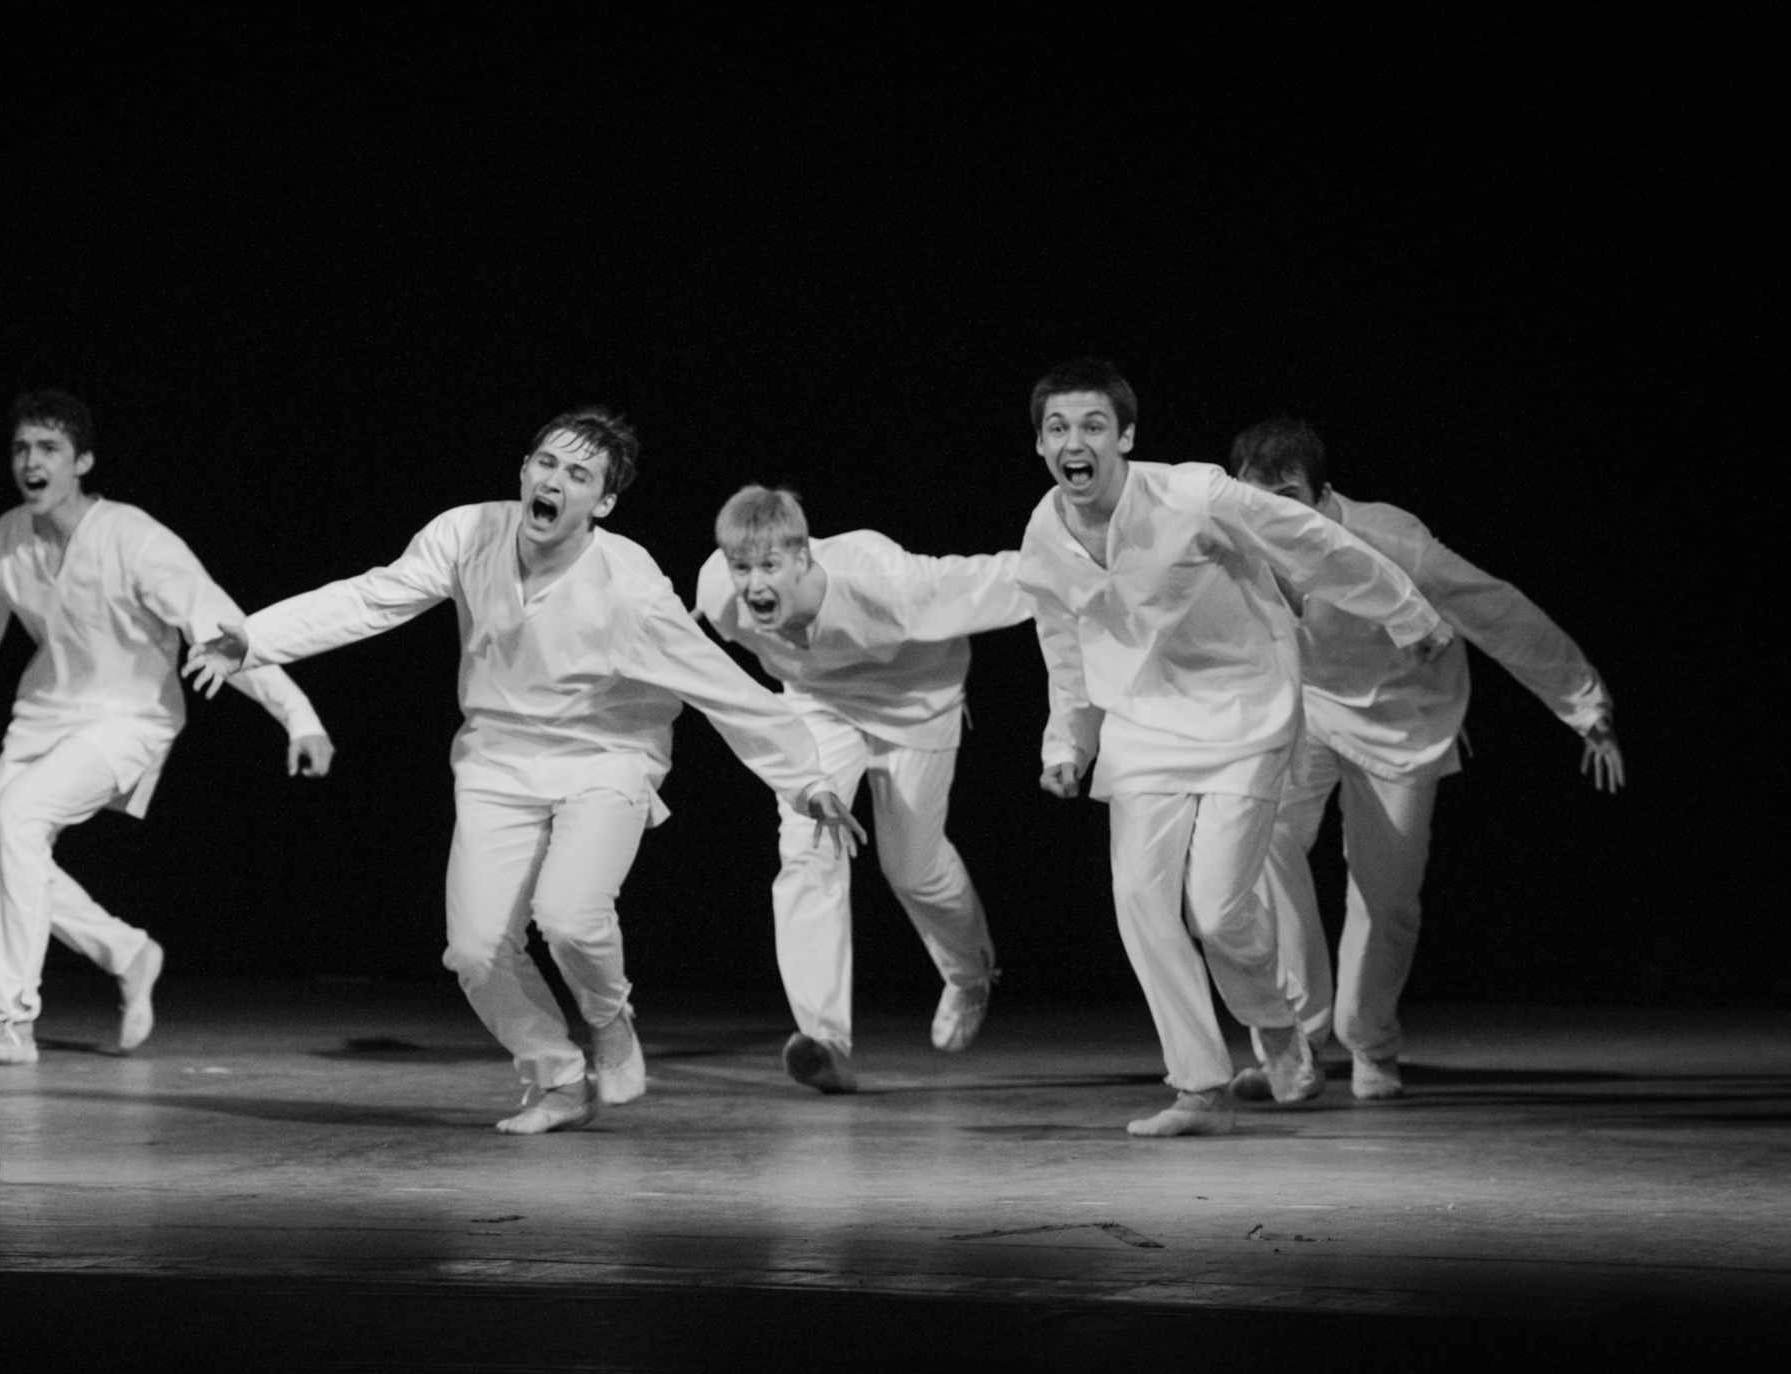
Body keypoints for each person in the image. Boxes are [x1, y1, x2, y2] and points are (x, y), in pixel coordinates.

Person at [186, 408, 863, 1135]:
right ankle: (560, 1076)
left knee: (570, 915)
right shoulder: (467, 533)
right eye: (546, 462)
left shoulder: (629, 585)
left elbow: (721, 687)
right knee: (476, 950)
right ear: (524, 470)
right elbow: (372, 595)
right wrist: (254, 637)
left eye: (578, 474)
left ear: (601, 502)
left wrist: (806, 778)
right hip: (497, 759)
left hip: (607, 756)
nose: (554, 481)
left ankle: (610, 1020)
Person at [1018, 361, 1449, 1137]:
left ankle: (1277, 1027)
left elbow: (1314, 541)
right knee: (1142, 900)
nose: (1073, 442)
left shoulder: (1193, 494)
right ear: (1040, 444)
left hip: (1246, 710)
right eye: (1057, 428)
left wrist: (1406, 611)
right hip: (1145, 719)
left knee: (1217, 909)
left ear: (1125, 436)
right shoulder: (1044, 535)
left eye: (1091, 425)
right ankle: (1198, 1087)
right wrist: (1068, 742)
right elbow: (1064, 644)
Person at [0, 390, 334, 1064]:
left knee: (19, 819)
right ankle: (129, 953)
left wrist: (297, 714)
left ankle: (11, 1024)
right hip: (45, 712)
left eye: (47, 449)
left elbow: (218, 625)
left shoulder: (135, 539)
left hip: (130, 717)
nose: (30, 462)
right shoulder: (3, 542)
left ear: (83, 461)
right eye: (21, 449)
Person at [1229, 417, 1623, 1101]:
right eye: (1254, 496)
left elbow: (1497, 610)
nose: (1269, 513)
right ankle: (1295, 1038)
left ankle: (1370, 1039)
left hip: (1401, 722)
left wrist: (1585, 703)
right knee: (1256, 845)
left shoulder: (1390, 539)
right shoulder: (1235, 539)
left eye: (1287, 495)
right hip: (1305, 709)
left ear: (1322, 496)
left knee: (1388, 898)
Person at [693, 485, 1030, 1093]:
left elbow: (1009, 578)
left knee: (913, 869)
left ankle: (970, 975)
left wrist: (1099, 559)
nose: (752, 582)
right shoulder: (719, 593)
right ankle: (825, 1041)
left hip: (917, 707)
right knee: (805, 848)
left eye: (769, 566)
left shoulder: (883, 578)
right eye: (742, 567)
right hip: (821, 707)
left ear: (803, 558)